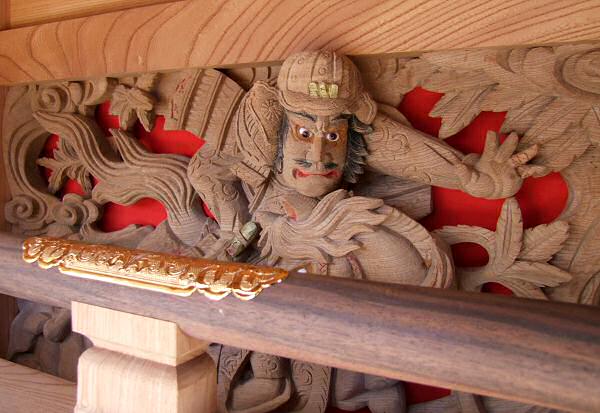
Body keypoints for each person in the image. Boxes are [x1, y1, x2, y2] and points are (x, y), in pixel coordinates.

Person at [188, 50, 538, 413]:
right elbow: (203, 170)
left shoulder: (358, 161)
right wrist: (233, 228)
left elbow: (405, 151)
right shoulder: (253, 141)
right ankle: (268, 373)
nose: (318, 154)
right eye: (303, 132)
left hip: (329, 233)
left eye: (333, 135)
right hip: (273, 242)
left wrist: (472, 177)